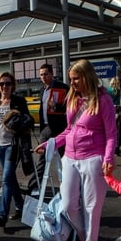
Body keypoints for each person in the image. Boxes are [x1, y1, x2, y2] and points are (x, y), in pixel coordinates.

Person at [34, 59, 117, 241]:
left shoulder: (103, 100)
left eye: (76, 78)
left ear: (87, 76)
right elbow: (69, 130)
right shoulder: (73, 98)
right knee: (69, 205)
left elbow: (111, 134)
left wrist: (108, 159)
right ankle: (83, 237)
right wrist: (50, 143)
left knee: (92, 209)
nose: (73, 83)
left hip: (93, 158)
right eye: (71, 79)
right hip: (70, 157)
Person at [0, 72, 31, 228]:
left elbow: (28, 120)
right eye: (1, 84)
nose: (4, 87)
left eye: (7, 84)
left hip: (13, 146)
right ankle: (21, 207)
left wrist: (18, 119)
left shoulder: (19, 101)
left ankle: (2, 216)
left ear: (12, 85)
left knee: (7, 178)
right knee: (11, 180)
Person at [27, 64, 69, 193]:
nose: (43, 77)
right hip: (46, 127)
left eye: (45, 74)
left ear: (52, 74)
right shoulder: (42, 90)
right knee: (41, 157)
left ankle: (69, 184)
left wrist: (55, 106)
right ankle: (34, 185)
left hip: (59, 128)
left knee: (65, 158)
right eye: (41, 75)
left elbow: (68, 108)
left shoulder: (62, 88)